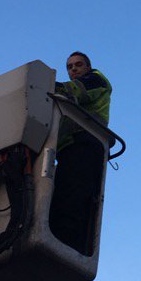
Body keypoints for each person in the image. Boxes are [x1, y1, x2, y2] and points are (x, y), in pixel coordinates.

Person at [48, 51, 112, 254]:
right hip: (69, 149)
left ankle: (68, 243)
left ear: (88, 67)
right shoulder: (65, 102)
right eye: (69, 67)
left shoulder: (96, 80)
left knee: (74, 196)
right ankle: (59, 239)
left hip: (86, 145)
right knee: (61, 194)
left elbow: (75, 91)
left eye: (78, 65)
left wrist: (41, 84)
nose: (73, 69)